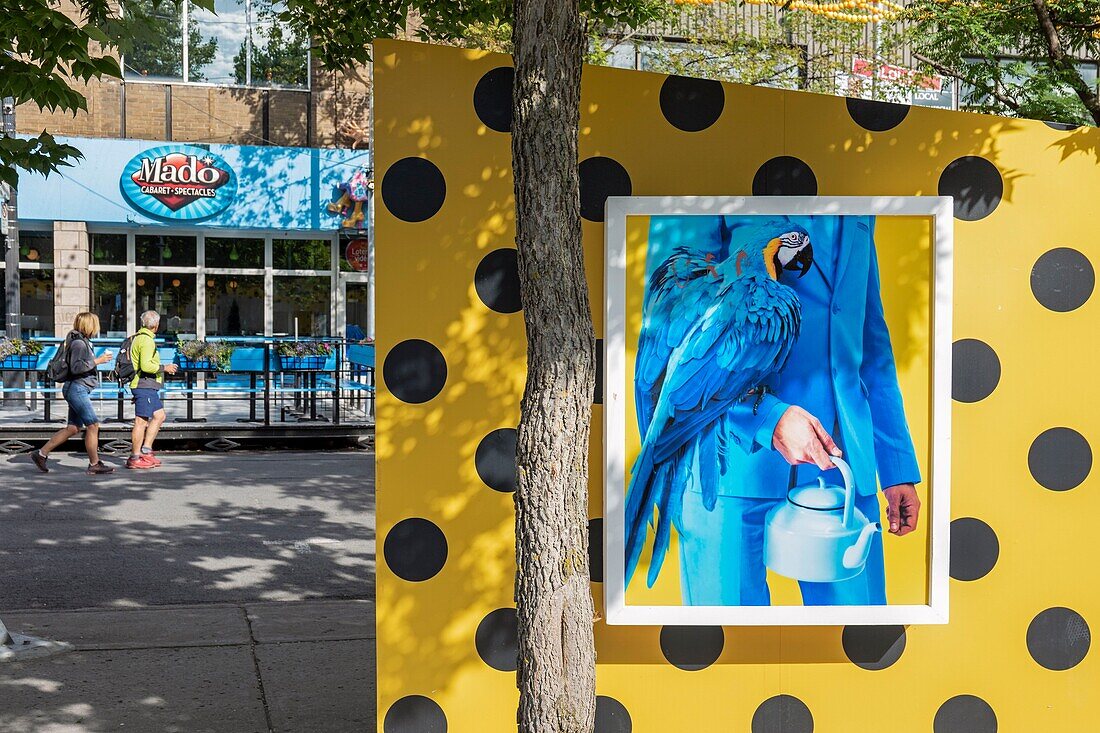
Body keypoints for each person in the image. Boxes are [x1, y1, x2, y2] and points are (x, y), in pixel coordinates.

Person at [664, 215, 922, 606]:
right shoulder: (713, 186)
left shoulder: (858, 202)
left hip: (841, 470)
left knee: (853, 641)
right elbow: (677, 338)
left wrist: (895, 466)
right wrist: (766, 417)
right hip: (728, 464)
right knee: (728, 647)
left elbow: (870, 346)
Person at [31, 313, 115, 475]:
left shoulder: (79, 341)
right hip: (77, 389)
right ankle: (94, 463)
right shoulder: (79, 344)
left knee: (73, 428)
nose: (97, 328)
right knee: (93, 425)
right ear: (89, 326)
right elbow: (77, 368)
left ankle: (41, 454)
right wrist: (99, 360)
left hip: (75, 388)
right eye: (95, 324)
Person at [126, 310, 178, 469]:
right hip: (144, 384)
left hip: (147, 385)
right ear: (156, 325)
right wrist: (165, 368)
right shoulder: (147, 341)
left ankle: (146, 451)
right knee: (140, 421)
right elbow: (146, 365)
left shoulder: (139, 338)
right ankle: (135, 457)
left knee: (160, 416)